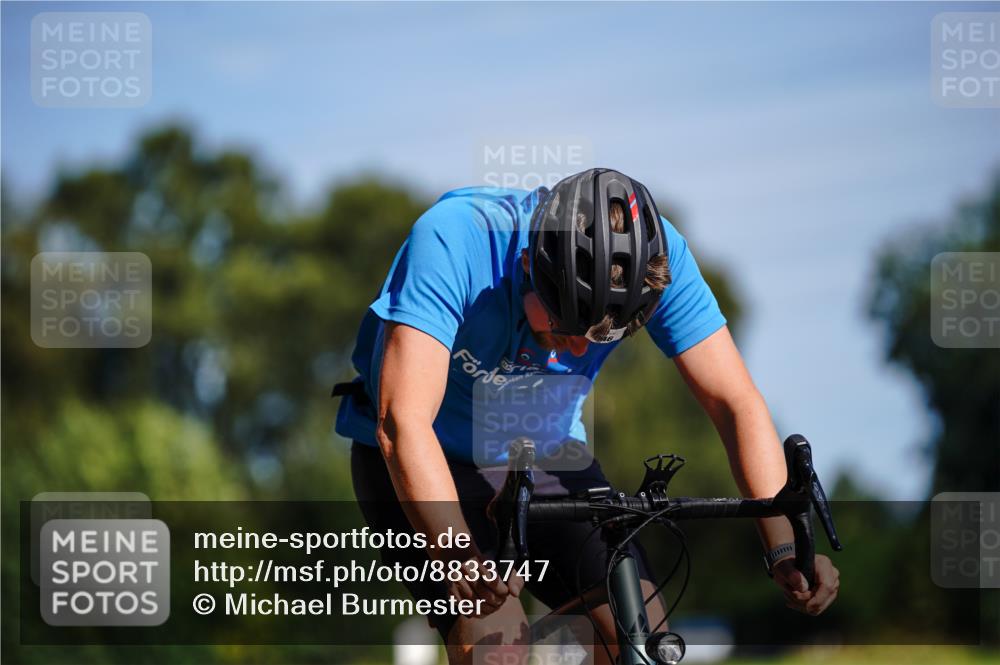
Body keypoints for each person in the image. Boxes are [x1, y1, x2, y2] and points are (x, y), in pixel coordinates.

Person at [335, 168, 839, 663]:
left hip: (545, 452)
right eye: (563, 324)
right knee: (496, 642)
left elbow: (735, 403)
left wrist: (784, 548)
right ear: (529, 264)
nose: (574, 350)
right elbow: (403, 423)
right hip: (427, 458)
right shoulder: (456, 239)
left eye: (599, 337)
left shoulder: (657, 261)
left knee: (642, 637)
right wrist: (457, 554)